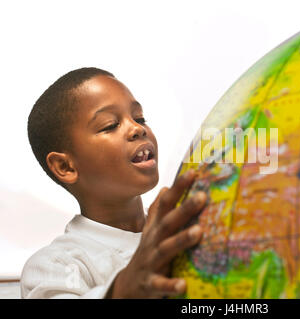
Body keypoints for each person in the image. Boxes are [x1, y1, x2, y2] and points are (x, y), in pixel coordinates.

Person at [21, 67, 207, 298]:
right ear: (65, 167)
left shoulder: (179, 230)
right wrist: (122, 291)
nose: (137, 128)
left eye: (139, 118)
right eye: (110, 125)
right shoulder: (56, 265)